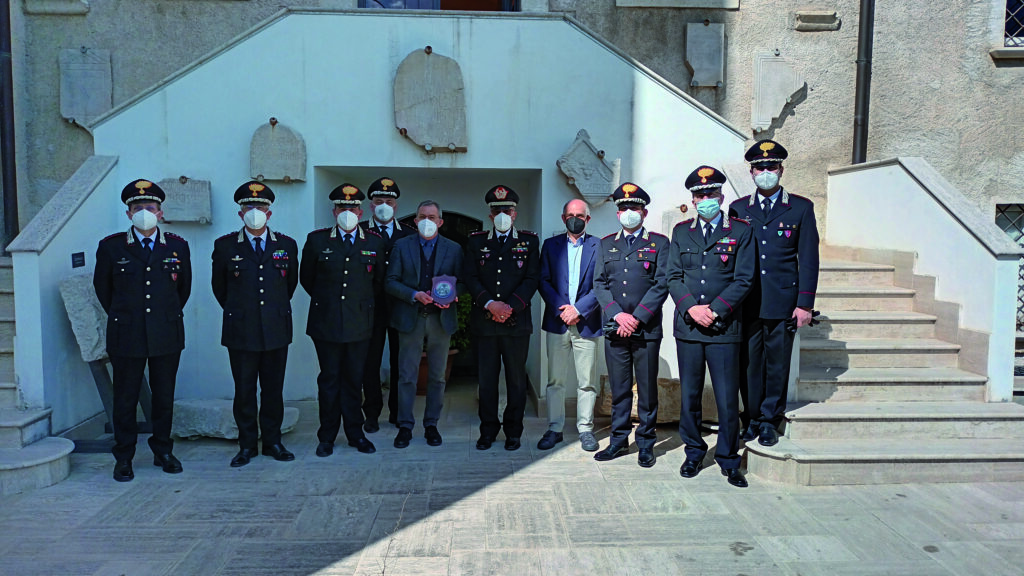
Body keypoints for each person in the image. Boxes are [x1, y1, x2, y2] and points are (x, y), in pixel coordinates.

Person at [93, 179, 192, 482]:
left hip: (166, 332)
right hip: (128, 333)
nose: (144, 212)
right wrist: (127, 316)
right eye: (138, 208)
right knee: (125, 398)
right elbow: (103, 290)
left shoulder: (177, 245)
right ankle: (124, 456)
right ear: (128, 213)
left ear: (161, 213)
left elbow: (183, 290)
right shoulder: (111, 247)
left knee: (164, 396)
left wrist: (162, 316)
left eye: (150, 207)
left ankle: (163, 450)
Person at [667, 166, 754, 488]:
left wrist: (715, 310)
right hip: (689, 327)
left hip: (724, 327)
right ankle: (693, 452)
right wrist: (692, 308)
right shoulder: (681, 232)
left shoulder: (741, 232)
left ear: (721, 196)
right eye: (699, 195)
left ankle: (729, 459)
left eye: (711, 194)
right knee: (689, 394)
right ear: (692, 198)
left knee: (727, 397)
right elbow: (673, 276)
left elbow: (744, 278)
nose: (705, 199)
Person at [728, 140, 820, 447]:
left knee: (777, 363)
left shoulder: (801, 208)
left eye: (771, 167)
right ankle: (751, 417)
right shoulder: (739, 208)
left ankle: (770, 419)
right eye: (760, 168)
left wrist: (804, 304)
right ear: (751, 172)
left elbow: (808, 258)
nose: (766, 172)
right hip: (748, 302)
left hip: (783, 301)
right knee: (748, 364)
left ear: (780, 170)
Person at [211, 181, 299, 468]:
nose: (255, 212)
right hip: (242, 331)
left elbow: (289, 285)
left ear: (269, 213)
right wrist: (244, 313)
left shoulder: (286, 245)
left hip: (275, 329)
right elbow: (220, 289)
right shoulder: (225, 246)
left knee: (273, 390)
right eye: (249, 207)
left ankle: (273, 441)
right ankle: (247, 445)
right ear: (240, 213)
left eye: (260, 207)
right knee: (245, 390)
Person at [300, 183, 385, 456]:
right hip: (326, 323)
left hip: (360, 323)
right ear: (334, 210)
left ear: (361, 212)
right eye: (342, 207)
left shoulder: (374, 242)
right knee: (329, 379)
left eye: (352, 208)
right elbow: (307, 279)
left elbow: (378, 282)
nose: (347, 212)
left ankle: (355, 433)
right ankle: (326, 436)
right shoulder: (317, 240)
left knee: (354, 380)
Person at [592, 182, 669, 467]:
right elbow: (599, 284)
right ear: (617, 213)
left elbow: (662, 284)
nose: (628, 212)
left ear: (644, 212)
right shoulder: (605, 244)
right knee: (619, 388)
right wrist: (616, 314)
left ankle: (646, 443)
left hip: (645, 329)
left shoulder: (659, 243)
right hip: (616, 329)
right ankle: (618, 440)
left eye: (634, 208)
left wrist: (636, 317)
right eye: (623, 208)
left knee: (647, 389)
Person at [464, 185, 540, 451]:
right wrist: (490, 304)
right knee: (486, 381)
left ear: (515, 213)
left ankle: (513, 431)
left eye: (506, 210)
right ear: (489, 214)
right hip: (485, 322)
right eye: (496, 210)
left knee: (516, 380)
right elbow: (470, 277)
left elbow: (532, 279)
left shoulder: (529, 241)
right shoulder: (476, 241)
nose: (502, 214)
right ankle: (487, 430)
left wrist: (509, 308)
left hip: (516, 323)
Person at [385, 200, 464, 449]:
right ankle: (405, 425)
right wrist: (413, 294)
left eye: (432, 216)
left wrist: (452, 295)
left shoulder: (453, 249)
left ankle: (431, 424)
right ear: (415, 221)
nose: (427, 220)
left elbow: (462, 281)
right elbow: (391, 281)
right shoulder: (401, 246)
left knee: (438, 377)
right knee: (406, 375)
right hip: (411, 316)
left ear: (440, 221)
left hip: (441, 319)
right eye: (422, 216)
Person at [537, 198, 603, 452]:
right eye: (570, 215)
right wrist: (562, 309)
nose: (575, 219)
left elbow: (602, 283)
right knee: (555, 380)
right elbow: (543, 281)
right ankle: (554, 428)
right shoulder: (550, 245)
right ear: (563, 218)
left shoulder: (600, 246)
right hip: (558, 322)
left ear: (588, 219)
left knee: (586, 381)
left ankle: (585, 429)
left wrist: (579, 309)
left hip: (586, 322)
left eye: (580, 215)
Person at [359, 177, 415, 432]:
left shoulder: (409, 234)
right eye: (379, 201)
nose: (384, 205)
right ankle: (371, 413)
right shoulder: (359, 231)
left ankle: (398, 411)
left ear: (396, 205)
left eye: (389, 201)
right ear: (370, 205)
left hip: (402, 306)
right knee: (369, 362)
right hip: (368, 308)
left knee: (400, 361)